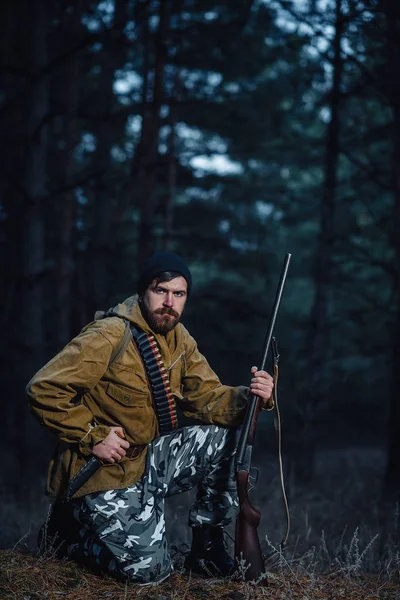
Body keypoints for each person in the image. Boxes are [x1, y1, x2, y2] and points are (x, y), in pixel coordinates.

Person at [26, 251, 274, 585]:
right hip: (105, 470)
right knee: (151, 573)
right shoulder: (109, 334)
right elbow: (43, 389)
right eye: (161, 290)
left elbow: (207, 397)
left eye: (179, 293)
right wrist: (93, 436)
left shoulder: (179, 338)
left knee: (228, 439)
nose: (169, 302)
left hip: (148, 458)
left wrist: (255, 396)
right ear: (144, 291)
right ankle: (73, 538)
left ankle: (207, 547)